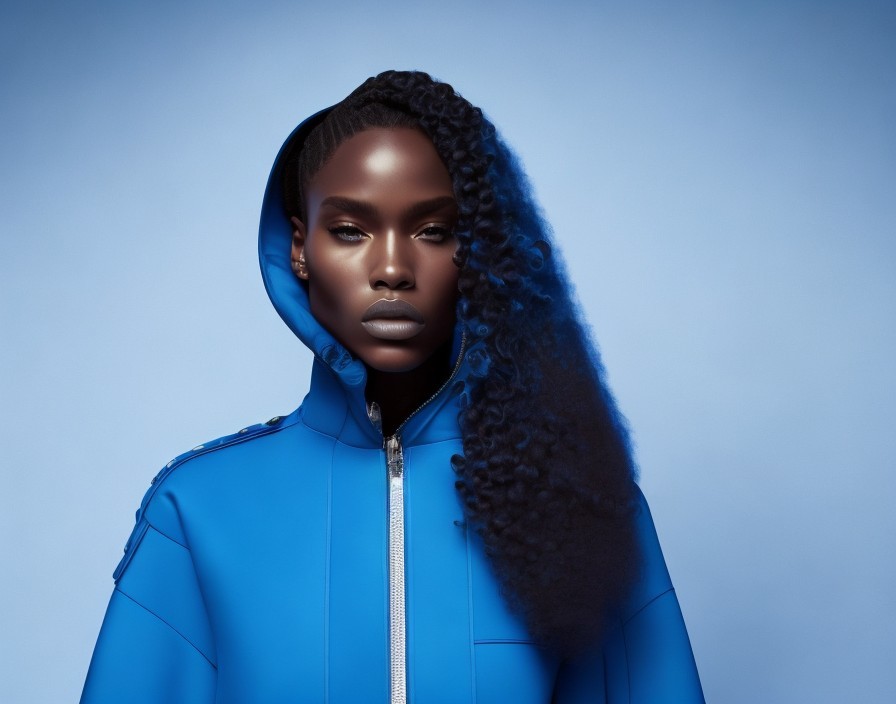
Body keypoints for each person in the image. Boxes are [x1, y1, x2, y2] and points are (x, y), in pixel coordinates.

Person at [81, 70, 704, 703]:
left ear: (479, 251)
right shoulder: (196, 509)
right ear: (300, 247)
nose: (391, 269)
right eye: (350, 230)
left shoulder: (582, 502)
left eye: (433, 231)